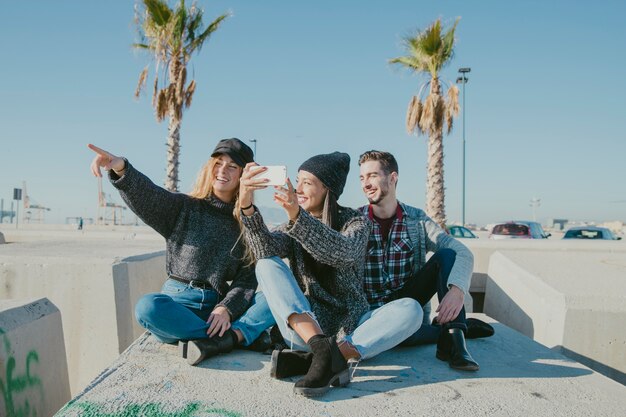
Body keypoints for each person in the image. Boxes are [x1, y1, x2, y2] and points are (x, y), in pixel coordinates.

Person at [234, 152, 422, 397]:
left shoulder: (356, 222)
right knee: (266, 264)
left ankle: (322, 359)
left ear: (328, 190)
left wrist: (297, 218)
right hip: (304, 332)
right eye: (297, 180)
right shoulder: (292, 224)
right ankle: (320, 351)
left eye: (307, 183)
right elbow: (263, 248)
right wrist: (246, 204)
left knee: (411, 309)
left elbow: (342, 253)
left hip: (351, 330)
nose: (298, 189)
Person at [87, 139, 264, 362]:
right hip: (176, 305)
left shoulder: (246, 221)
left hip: (214, 309)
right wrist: (121, 167)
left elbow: (247, 279)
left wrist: (226, 309)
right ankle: (232, 338)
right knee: (147, 307)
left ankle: (213, 338)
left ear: (243, 176)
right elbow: (148, 196)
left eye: (232, 166)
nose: (222, 171)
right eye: (218, 163)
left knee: (268, 299)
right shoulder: (185, 207)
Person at [357, 150, 493, 372]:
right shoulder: (355, 220)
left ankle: (455, 343)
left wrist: (457, 290)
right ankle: (457, 327)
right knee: (396, 338)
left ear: (393, 178)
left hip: (408, 301)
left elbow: (462, 252)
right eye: (362, 178)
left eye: (372, 175)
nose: (366, 184)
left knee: (446, 255)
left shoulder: (416, 220)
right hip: (372, 313)